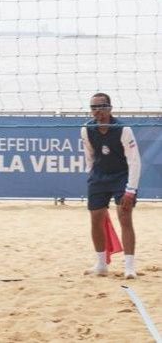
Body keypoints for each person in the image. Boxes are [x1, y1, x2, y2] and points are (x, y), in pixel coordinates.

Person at [81, 93, 141, 279]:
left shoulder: (123, 129)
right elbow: (89, 155)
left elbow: (134, 161)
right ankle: (101, 264)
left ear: (109, 108)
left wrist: (130, 190)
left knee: (125, 217)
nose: (96, 110)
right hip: (99, 177)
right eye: (93, 107)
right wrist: (92, 176)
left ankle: (129, 267)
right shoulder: (86, 129)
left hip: (121, 177)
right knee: (96, 218)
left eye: (100, 106)